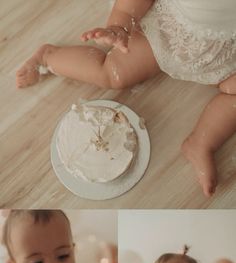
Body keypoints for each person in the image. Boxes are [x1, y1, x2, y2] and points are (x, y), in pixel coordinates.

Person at [15, 0, 236, 197]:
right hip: (169, 31)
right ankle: (48, 58)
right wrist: (119, 26)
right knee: (113, 74)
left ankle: (201, 143)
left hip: (225, 51)